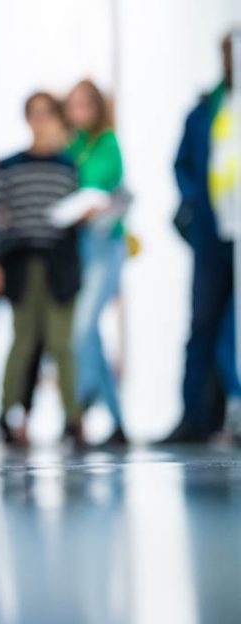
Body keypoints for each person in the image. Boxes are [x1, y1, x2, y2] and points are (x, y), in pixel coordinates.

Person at [0, 92, 84, 447]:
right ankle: (8, 414)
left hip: (60, 263)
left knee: (62, 341)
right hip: (22, 263)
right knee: (22, 341)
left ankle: (73, 418)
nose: (42, 121)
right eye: (35, 114)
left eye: (48, 114)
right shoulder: (6, 168)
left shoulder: (70, 168)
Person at [164, 31, 241, 443]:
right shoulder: (206, 109)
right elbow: (183, 164)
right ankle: (195, 415)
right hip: (213, 234)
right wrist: (194, 204)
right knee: (204, 322)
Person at [64, 79, 129, 445]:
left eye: (85, 104)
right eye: (73, 105)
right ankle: (117, 418)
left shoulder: (107, 143)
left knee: (83, 328)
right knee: (90, 337)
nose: (79, 112)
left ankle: (84, 399)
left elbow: (102, 187)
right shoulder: (72, 145)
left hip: (106, 245)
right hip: (79, 248)